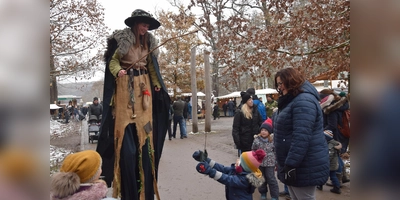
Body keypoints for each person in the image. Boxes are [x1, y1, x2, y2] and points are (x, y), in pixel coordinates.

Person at [96, 9, 170, 200]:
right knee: (126, 146)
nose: (146, 28)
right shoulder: (122, 41)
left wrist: (156, 85)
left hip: (143, 88)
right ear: (136, 24)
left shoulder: (149, 43)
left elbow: (152, 68)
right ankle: (127, 188)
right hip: (123, 87)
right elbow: (112, 63)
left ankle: (145, 190)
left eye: (148, 25)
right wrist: (118, 71)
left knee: (145, 138)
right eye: (143, 24)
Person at [273, 67, 329, 200]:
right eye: (278, 84)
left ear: (290, 81)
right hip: (296, 163)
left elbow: (301, 137)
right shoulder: (292, 100)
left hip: (303, 164)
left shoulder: (303, 101)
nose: (279, 88)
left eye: (281, 83)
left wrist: (291, 164)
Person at [193, 149, 266, 200]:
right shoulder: (236, 169)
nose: (237, 160)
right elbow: (222, 168)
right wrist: (207, 160)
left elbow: (227, 179)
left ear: (244, 166)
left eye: (240, 160)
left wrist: (210, 172)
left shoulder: (245, 179)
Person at [319, 89, 350, 185]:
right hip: (343, 133)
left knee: (336, 156)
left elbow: (332, 125)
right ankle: (343, 177)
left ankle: (338, 180)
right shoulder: (338, 104)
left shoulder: (331, 108)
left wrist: (323, 132)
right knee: (338, 155)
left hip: (336, 135)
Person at [252, 118, 279, 200]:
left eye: (266, 130)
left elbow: (276, 151)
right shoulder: (256, 140)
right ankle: (263, 193)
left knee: (271, 179)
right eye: (262, 130)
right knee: (261, 179)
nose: (263, 132)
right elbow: (253, 150)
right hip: (260, 163)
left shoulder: (273, 141)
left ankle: (274, 196)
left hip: (270, 163)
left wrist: (276, 162)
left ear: (269, 132)